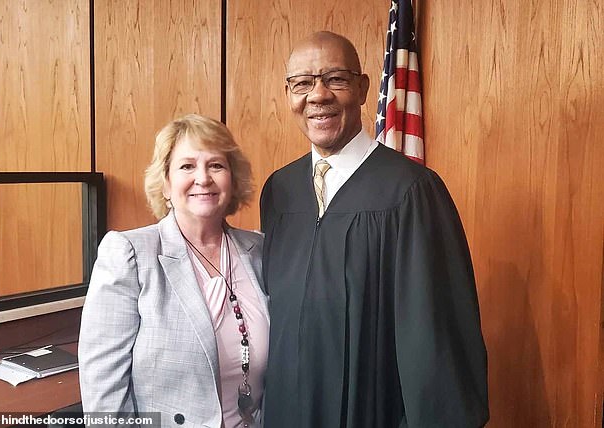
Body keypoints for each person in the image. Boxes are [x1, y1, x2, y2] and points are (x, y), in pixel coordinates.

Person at [260, 31, 489, 427]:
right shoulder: (279, 192)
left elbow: (437, 339)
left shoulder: (412, 192)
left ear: (363, 88)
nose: (318, 96)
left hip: (371, 412)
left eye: (336, 79)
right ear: (288, 95)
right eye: (302, 83)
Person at [79, 114, 269, 428]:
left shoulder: (259, 251)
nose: (203, 178)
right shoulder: (130, 254)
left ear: (232, 180)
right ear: (166, 183)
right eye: (187, 166)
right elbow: (104, 395)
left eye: (216, 165)